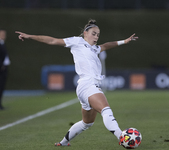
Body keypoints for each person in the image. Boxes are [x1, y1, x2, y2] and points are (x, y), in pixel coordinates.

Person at [15, 19, 138, 147]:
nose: (96, 37)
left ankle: (63, 142)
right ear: (85, 33)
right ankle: (122, 138)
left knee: (87, 123)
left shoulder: (95, 49)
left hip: (84, 88)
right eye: (93, 33)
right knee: (106, 110)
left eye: (98, 35)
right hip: (88, 84)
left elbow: (107, 45)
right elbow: (52, 40)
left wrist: (124, 41)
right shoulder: (77, 42)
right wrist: (30, 36)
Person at [0, 28, 11, 110]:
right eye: (2, 34)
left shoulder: (2, 43)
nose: (4, 36)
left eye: (4, 34)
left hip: (4, 69)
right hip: (1, 69)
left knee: (2, 86)